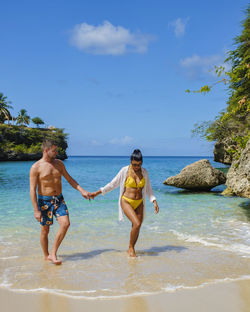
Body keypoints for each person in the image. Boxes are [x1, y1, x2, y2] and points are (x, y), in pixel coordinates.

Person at [29, 140, 91, 265]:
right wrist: (36, 210)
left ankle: (53, 253)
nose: (57, 153)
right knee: (45, 230)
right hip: (44, 201)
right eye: (54, 150)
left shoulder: (59, 164)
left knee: (65, 224)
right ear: (46, 150)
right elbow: (32, 190)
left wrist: (81, 190)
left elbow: (69, 179)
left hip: (59, 199)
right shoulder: (36, 167)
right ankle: (46, 256)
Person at [90, 149, 159, 257]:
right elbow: (112, 184)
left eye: (139, 164)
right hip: (126, 201)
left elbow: (148, 189)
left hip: (139, 202)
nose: (137, 167)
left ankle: (131, 248)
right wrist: (97, 192)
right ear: (131, 162)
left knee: (137, 226)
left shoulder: (144, 172)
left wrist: (154, 201)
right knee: (136, 223)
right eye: (134, 164)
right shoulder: (125, 171)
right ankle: (131, 248)